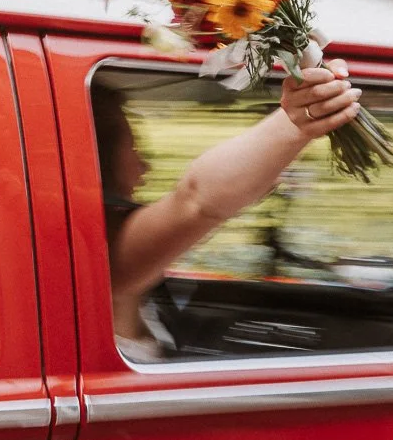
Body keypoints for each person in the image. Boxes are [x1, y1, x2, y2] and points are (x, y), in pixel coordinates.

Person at [95, 60, 362, 360]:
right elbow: (197, 203)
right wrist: (296, 121)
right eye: (135, 148)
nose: (146, 165)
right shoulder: (105, 255)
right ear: (98, 157)